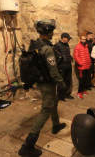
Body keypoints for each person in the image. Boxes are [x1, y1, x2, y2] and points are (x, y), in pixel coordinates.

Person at [18, 19, 66, 157]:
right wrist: (61, 83)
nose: (52, 33)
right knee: (46, 109)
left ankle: (56, 125)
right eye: (52, 31)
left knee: (53, 101)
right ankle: (28, 145)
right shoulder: (47, 48)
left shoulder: (35, 44)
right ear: (49, 32)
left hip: (40, 80)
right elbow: (53, 70)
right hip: (47, 83)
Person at [53, 33, 74, 101]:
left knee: (68, 80)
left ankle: (67, 94)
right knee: (62, 82)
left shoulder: (66, 45)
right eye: (68, 38)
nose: (69, 40)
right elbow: (56, 57)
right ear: (63, 38)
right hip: (62, 66)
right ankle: (61, 96)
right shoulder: (56, 46)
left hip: (68, 65)